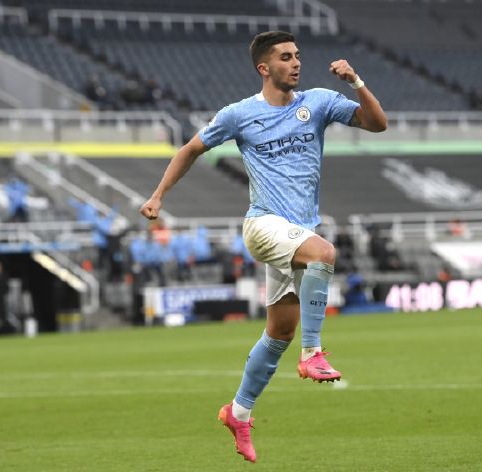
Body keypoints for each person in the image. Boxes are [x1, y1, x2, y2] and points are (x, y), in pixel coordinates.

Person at [138, 30, 387, 462]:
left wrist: (356, 82)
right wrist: (159, 195)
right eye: (286, 57)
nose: (296, 63)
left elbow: (377, 124)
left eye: (298, 56)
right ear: (264, 67)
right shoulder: (239, 115)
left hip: (296, 233)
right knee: (325, 254)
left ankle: (238, 412)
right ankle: (313, 354)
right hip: (263, 225)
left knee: (279, 332)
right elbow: (190, 150)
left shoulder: (320, 101)